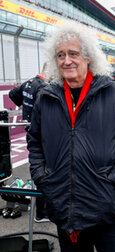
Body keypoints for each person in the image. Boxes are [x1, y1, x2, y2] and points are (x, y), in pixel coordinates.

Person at [27, 24, 115, 252]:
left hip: (108, 209)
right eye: (60, 55)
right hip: (65, 209)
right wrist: (43, 177)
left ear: (88, 57)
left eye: (73, 53)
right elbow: (34, 142)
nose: (66, 61)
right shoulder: (45, 98)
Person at [9, 64, 49, 223]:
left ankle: (43, 210)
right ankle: (42, 213)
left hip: (30, 130)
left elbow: (13, 94)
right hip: (40, 133)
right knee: (44, 171)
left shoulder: (29, 82)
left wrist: (22, 105)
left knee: (39, 168)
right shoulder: (43, 87)